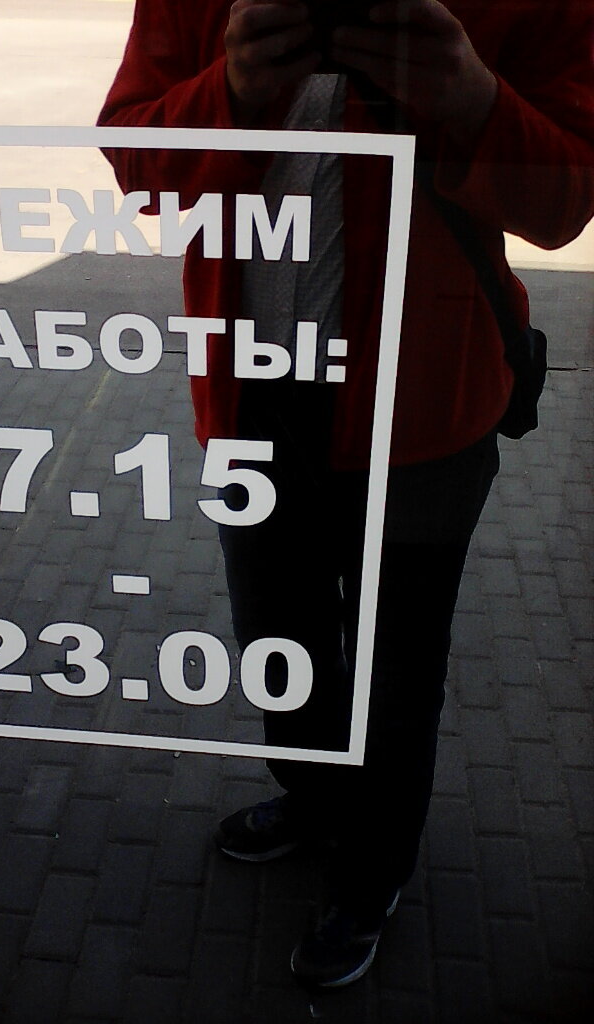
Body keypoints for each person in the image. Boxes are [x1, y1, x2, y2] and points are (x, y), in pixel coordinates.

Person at [98, 0, 594, 987]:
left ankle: (373, 869)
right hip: (248, 395)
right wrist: (229, 91)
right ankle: (315, 796)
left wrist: (472, 97)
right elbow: (135, 164)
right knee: (276, 634)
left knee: (398, 671)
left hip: (428, 400)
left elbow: (565, 202)